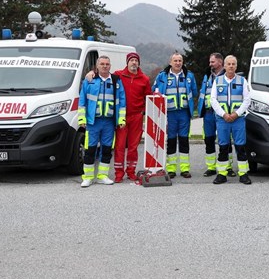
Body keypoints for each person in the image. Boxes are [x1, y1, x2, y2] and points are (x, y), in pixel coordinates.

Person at [85, 52, 152, 182]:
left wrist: (143, 112)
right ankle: (119, 173)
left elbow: (147, 97)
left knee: (133, 147)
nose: (134, 63)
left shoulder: (145, 79)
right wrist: (91, 73)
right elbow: (103, 73)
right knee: (119, 146)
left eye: (136, 61)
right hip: (121, 116)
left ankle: (131, 172)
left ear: (139, 63)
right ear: (127, 62)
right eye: (131, 60)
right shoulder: (118, 75)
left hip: (137, 117)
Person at [78, 55, 126, 187]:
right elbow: (82, 101)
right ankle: (87, 177)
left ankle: (102, 175)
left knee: (106, 149)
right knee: (90, 149)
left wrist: (121, 119)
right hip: (93, 122)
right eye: (102, 64)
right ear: (97, 66)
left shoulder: (116, 80)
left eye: (107, 64)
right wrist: (82, 118)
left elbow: (122, 101)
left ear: (110, 66)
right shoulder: (89, 80)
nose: (105, 66)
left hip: (109, 122)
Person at [152, 53, 198, 178]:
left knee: (184, 140)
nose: (178, 63)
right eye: (175, 60)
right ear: (170, 62)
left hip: (184, 113)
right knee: (171, 140)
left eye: (180, 60)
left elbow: (194, 92)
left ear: (182, 62)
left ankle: (185, 169)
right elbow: (154, 90)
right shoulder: (162, 76)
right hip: (169, 113)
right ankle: (171, 169)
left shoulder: (189, 76)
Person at [210, 55, 252, 185]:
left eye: (234, 64)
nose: (231, 66)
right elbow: (213, 100)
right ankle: (222, 174)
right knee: (223, 146)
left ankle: (243, 174)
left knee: (240, 147)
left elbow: (247, 100)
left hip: (238, 119)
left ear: (236, 66)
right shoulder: (217, 81)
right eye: (229, 64)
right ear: (225, 66)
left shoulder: (242, 81)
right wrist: (223, 114)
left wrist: (236, 113)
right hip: (222, 120)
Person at [197, 52, 226, 176]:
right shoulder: (207, 75)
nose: (210, 64)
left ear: (220, 62)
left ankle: (227, 167)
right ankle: (211, 167)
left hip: (222, 113)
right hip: (209, 113)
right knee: (208, 140)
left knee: (224, 141)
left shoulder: (227, 75)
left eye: (212, 62)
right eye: (210, 62)